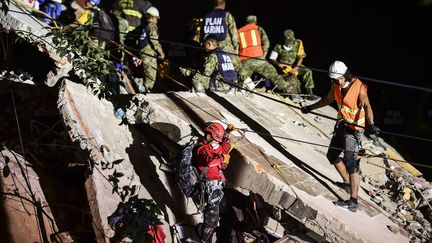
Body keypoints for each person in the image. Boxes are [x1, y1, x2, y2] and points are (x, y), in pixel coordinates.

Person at [301, 60, 380, 212]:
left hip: (354, 130)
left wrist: (371, 124)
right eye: (336, 79)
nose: (339, 81)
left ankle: (354, 202)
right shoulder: (336, 86)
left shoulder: (359, 87)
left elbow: (367, 106)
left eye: (341, 78)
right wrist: (310, 108)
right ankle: (347, 183)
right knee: (332, 155)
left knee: (351, 164)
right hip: (342, 126)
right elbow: (328, 99)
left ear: (346, 75)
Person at [192, 122, 234, 242]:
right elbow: (209, 162)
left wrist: (226, 135)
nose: (217, 143)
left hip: (217, 187)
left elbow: (223, 148)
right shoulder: (201, 149)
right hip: (210, 188)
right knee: (211, 218)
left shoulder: (212, 146)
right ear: (209, 136)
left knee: (229, 214)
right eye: (215, 140)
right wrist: (222, 159)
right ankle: (205, 240)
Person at [237, 15, 291, 93]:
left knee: (242, 79)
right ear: (255, 22)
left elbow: (235, 47)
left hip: (244, 61)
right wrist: (263, 55)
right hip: (258, 59)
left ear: (246, 22)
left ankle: (239, 90)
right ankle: (288, 90)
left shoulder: (239, 31)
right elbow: (266, 43)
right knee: (274, 75)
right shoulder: (258, 28)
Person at [269, 29, 318, 100]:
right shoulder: (278, 46)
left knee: (308, 71)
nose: (289, 44)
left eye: (290, 42)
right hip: (284, 68)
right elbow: (272, 58)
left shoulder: (298, 43)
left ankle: (309, 94)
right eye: (287, 42)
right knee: (291, 79)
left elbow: (301, 57)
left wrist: (296, 67)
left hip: (295, 66)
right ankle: (294, 95)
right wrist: (279, 65)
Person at [202, 0, 241, 72]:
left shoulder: (206, 16)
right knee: (238, 68)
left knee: (210, 70)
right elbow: (234, 33)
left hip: (209, 48)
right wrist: (236, 48)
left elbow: (202, 35)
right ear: (223, 3)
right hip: (225, 48)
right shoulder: (227, 14)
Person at [135, 6, 165, 93]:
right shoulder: (152, 26)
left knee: (147, 75)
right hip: (149, 56)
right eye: (157, 18)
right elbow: (154, 40)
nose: (157, 21)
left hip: (143, 54)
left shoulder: (144, 27)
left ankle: (140, 85)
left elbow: (139, 42)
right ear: (153, 17)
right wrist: (161, 52)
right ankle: (145, 92)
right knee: (151, 78)